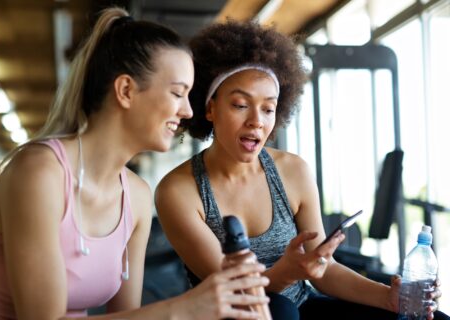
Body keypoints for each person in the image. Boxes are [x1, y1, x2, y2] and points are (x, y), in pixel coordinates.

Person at [0, 8, 271, 320]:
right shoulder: (40, 172)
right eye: (177, 93)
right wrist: (186, 308)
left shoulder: (137, 197)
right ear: (126, 90)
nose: (187, 112)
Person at [155, 20, 448, 319]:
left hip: (300, 305)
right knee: (280, 309)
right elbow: (232, 291)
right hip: (229, 312)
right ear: (209, 108)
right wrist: (286, 272)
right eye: (241, 104)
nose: (257, 121)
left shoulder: (293, 171)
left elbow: (324, 270)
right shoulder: (178, 191)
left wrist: (390, 297)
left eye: (268, 108)